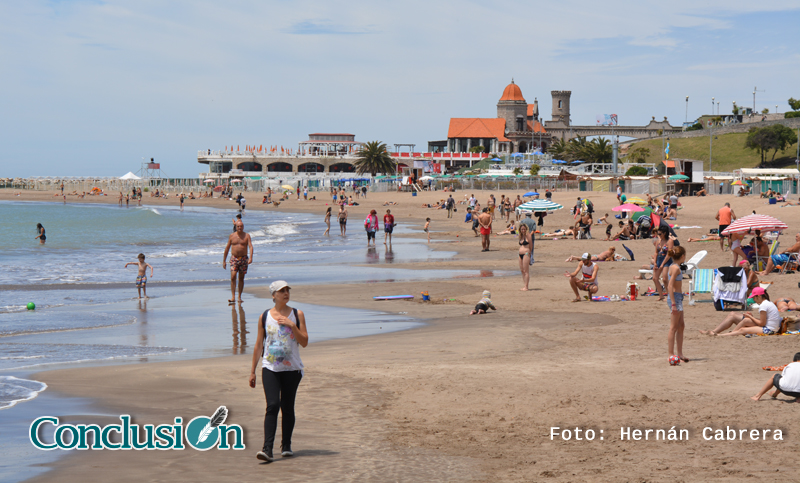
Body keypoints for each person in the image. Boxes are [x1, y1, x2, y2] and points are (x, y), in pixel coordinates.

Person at [249, 280, 308, 462]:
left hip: (292, 369)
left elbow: (304, 341)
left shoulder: (297, 314)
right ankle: (267, 449)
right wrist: (252, 371)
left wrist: (292, 325)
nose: (285, 293)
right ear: (273, 295)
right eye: (281, 291)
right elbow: (259, 345)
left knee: (287, 407)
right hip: (270, 368)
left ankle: (286, 445)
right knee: (273, 405)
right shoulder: (265, 316)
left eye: (287, 290)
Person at [700, 287, 781, 336]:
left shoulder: (764, 305)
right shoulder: (767, 303)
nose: (754, 300)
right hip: (768, 326)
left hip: (769, 329)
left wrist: (750, 317)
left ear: (759, 296)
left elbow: (762, 324)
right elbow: (763, 321)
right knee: (733, 314)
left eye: (754, 298)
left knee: (744, 322)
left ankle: (723, 334)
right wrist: (751, 317)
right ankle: (715, 332)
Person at [666, 246, 689, 364]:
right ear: (683, 256)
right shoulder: (675, 268)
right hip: (675, 298)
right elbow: (670, 285)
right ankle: (671, 353)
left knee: (681, 325)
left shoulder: (674, 266)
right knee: (673, 327)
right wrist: (674, 304)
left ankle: (679, 353)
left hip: (678, 298)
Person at [223, 222, 254, 304]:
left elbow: (250, 246)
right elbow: (227, 248)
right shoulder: (232, 236)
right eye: (238, 226)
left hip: (243, 259)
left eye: (241, 226)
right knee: (233, 276)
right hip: (234, 258)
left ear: (243, 227)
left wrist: (251, 257)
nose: (239, 228)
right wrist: (224, 261)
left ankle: (239, 296)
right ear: (236, 227)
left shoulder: (247, 236)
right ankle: (233, 297)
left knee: (241, 278)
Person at [654, 227, 674, 301]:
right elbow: (656, 252)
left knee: (665, 279)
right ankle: (661, 295)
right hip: (659, 259)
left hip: (667, 260)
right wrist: (655, 263)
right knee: (655, 278)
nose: (658, 235)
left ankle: (669, 295)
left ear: (664, 233)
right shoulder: (659, 241)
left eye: (660, 234)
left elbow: (669, 254)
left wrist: (663, 264)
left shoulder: (670, 241)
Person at [517, 224, 533, 291]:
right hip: (520, 254)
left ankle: (526, 287)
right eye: (522, 229)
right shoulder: (521, 236)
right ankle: (524, 285)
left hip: (526, 253)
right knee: (522, 270)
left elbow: (531, 245)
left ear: (526, 229)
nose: (523, 230)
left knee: (526, 271)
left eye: (524, 229)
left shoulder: (528, 235)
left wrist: (529, 253)